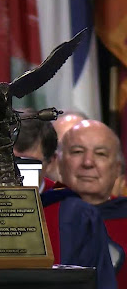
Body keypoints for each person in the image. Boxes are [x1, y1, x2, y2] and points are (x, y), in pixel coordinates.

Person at [58, 120, 126, 288]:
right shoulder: (42, 216)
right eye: (77, 151)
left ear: (117, 168)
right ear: (58, 162)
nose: (88, 162)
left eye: (101, 154)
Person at [12, 109, 58, 192]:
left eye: (28, 163)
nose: (16, 173)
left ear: (50, 163)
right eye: (9, 162)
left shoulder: (68, 203)